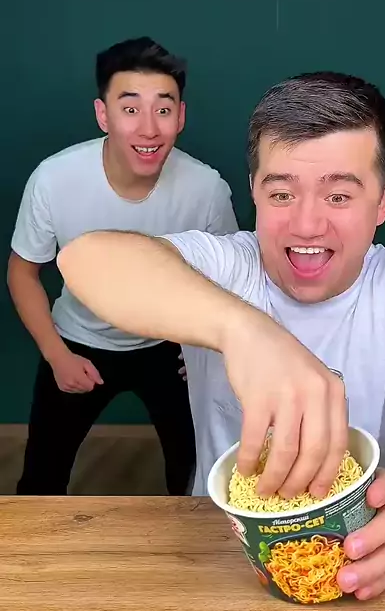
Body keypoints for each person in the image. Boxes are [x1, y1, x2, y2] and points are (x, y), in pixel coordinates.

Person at [57, 70, 385, 601]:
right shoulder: (224, 268)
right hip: (215, 558)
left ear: (383, 200)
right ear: (254, 190)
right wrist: (245, 330)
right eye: (281, 194)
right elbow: (85, 259)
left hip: (356, 553)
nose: (306, 225)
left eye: (339, 197)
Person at [8, 36, 238, 496]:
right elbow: (22, 272)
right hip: (79, 338)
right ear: (103, 115)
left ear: (181, 117)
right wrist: (56, 355)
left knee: (197, 480)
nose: (149, 128)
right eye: (130, 109)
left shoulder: (207, 188)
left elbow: (233, 275)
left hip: (170, 343)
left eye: (163, 109)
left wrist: (209, 350)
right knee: (40, 481)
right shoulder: (54, 179)